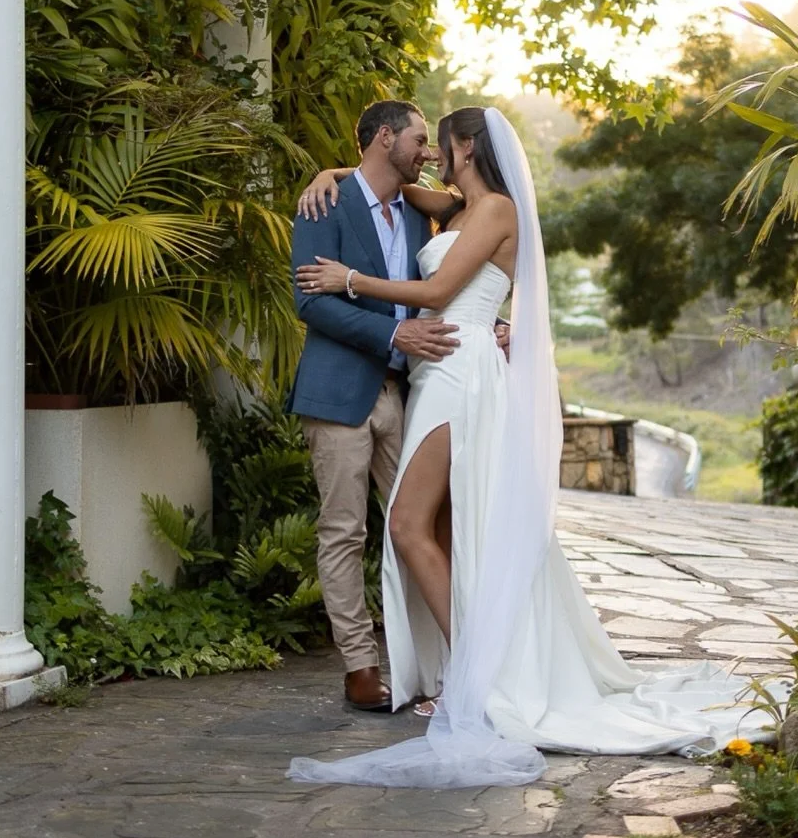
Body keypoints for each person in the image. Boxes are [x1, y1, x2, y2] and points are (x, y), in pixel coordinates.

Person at [287, 107, 772, 790]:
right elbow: (380, 182)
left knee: (406, 524)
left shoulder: (493, 212)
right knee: (447, 526)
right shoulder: (456, 204)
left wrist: (352, 281)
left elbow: (437, 291)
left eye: (438, 141)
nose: (428, 152)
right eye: (417, 138)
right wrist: (327, 171)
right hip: (437, 374)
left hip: (459, 372)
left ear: (463, 146)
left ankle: (475, 678)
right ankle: (464, 670)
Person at [287, 99, 464, 714]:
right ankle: (361, 666)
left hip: (407, 394)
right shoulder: (323, 203)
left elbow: (479, 213)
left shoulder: (418, 210)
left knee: (420, 529)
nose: (428, 153)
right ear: (384, 136)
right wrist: (392, 335)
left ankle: (435, 665)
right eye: (419, 140)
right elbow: (311, 302)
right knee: (344, 532)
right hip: (339, 392)